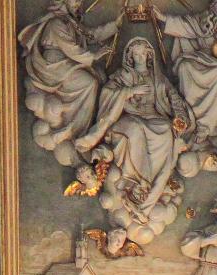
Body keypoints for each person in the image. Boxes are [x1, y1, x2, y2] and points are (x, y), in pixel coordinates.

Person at [75, 39, 194, 253]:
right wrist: (129, 91)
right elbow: (108, 94)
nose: (140, 58)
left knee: (166, 131)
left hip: (153, 118)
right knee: (136, 130)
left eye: (143, 54)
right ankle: (133, 182)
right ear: (130, 56)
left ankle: (145, 187)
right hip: (127, 119)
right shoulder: (122, 76)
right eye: (136, 55)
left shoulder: (158, 78)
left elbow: (174, 98)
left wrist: (181, 117)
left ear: (149, 56)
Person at [18, 0, 119, 166]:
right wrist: (93, 56)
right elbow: (70, 47)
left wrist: (115, 26)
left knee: (97, 78)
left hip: (65, 63)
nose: (77, 4)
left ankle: (81, 132)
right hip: (54, 66)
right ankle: (79, 135)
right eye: (74, 0)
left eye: (79, 1)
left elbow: (90, 35)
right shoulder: (57, 22)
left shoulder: (71, 22)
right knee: (89, 83)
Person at [157, 0, 217, 167]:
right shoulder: (204, 18)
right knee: (184, 67)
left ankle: (216, 126)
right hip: (200, 59)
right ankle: (198, 124)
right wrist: (163, 18)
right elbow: (186, 25)